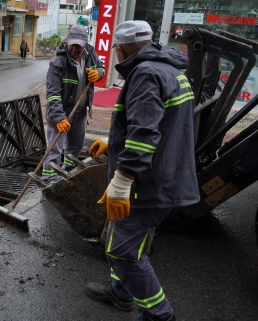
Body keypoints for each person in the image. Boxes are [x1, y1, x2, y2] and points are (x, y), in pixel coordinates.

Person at [84, 20, 200, 321]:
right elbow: (160, 124)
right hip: (166, 173)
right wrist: (113, 142)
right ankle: (121, 292)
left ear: (121, 51)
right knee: (127, 240)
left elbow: (145, 135)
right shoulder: (169, 68)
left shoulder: (146, 73)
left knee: (121, 249)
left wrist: (122, 182)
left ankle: (159, 314)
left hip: (149, 183)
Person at [42, 25, 105, 182]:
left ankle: (68, 172)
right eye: (72, 44)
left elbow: (101, 67)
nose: (75, 49)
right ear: (67, 42)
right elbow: (52, 94)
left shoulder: (90, 54)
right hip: (60, 113)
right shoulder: (58, 62)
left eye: (79, 45)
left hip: (80, 111)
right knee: (54, 149)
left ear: (85, 43)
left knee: (75, 147)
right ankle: (48, 180)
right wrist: (59, 118)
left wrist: (98, 73)